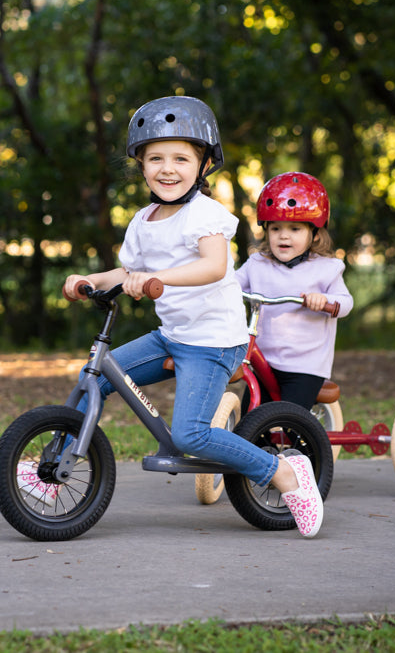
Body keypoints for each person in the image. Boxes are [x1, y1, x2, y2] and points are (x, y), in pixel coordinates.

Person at [62, 97, 324, 537]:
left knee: (191, 435)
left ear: (203, 165)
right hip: (172, 334)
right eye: (155, 158)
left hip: (214, 341)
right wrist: (87, 279)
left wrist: (154, 279)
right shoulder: (143, 220)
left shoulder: (205, 215)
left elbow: (214, 266)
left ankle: (283, 473)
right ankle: (61, 464)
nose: (168, 168)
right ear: (141, 166)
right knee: (93, 378)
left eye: (181, 158)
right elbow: (126, 272)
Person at [235, 171, 353, 413]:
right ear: (266, 231)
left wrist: (325, 300)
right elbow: (229, 286)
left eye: (295, 229)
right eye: (275, 228)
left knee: (291, 421)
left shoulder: (326, 269)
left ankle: (300, 450)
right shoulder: (257, 264)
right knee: (251, 418)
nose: (284, 235)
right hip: (264, 362)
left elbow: (346, 302)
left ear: (315, 233)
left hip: (305, 367)